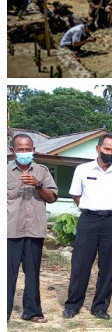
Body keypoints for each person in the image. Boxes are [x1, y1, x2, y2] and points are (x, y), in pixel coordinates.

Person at [63, 134, 112, 320]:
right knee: (80, 264)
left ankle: (100, 307)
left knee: (108, 265)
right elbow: (76, 196)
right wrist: (92, 210)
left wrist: (109, 212)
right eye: (107, 149)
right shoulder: (82, 169)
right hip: (88, 219)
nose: (110, 153)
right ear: (98, 148)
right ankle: (73, 304)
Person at [7, 134, 58, 323]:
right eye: (20, 149)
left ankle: (32, 311)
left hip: (34, 231)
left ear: (34, 150)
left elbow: (52, 197)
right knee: (7, 274)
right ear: (13, 151)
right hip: (9, 231)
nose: (24, 152)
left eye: (28, 149)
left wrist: (38, 184)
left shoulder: (42, 171)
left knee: (33, 273)